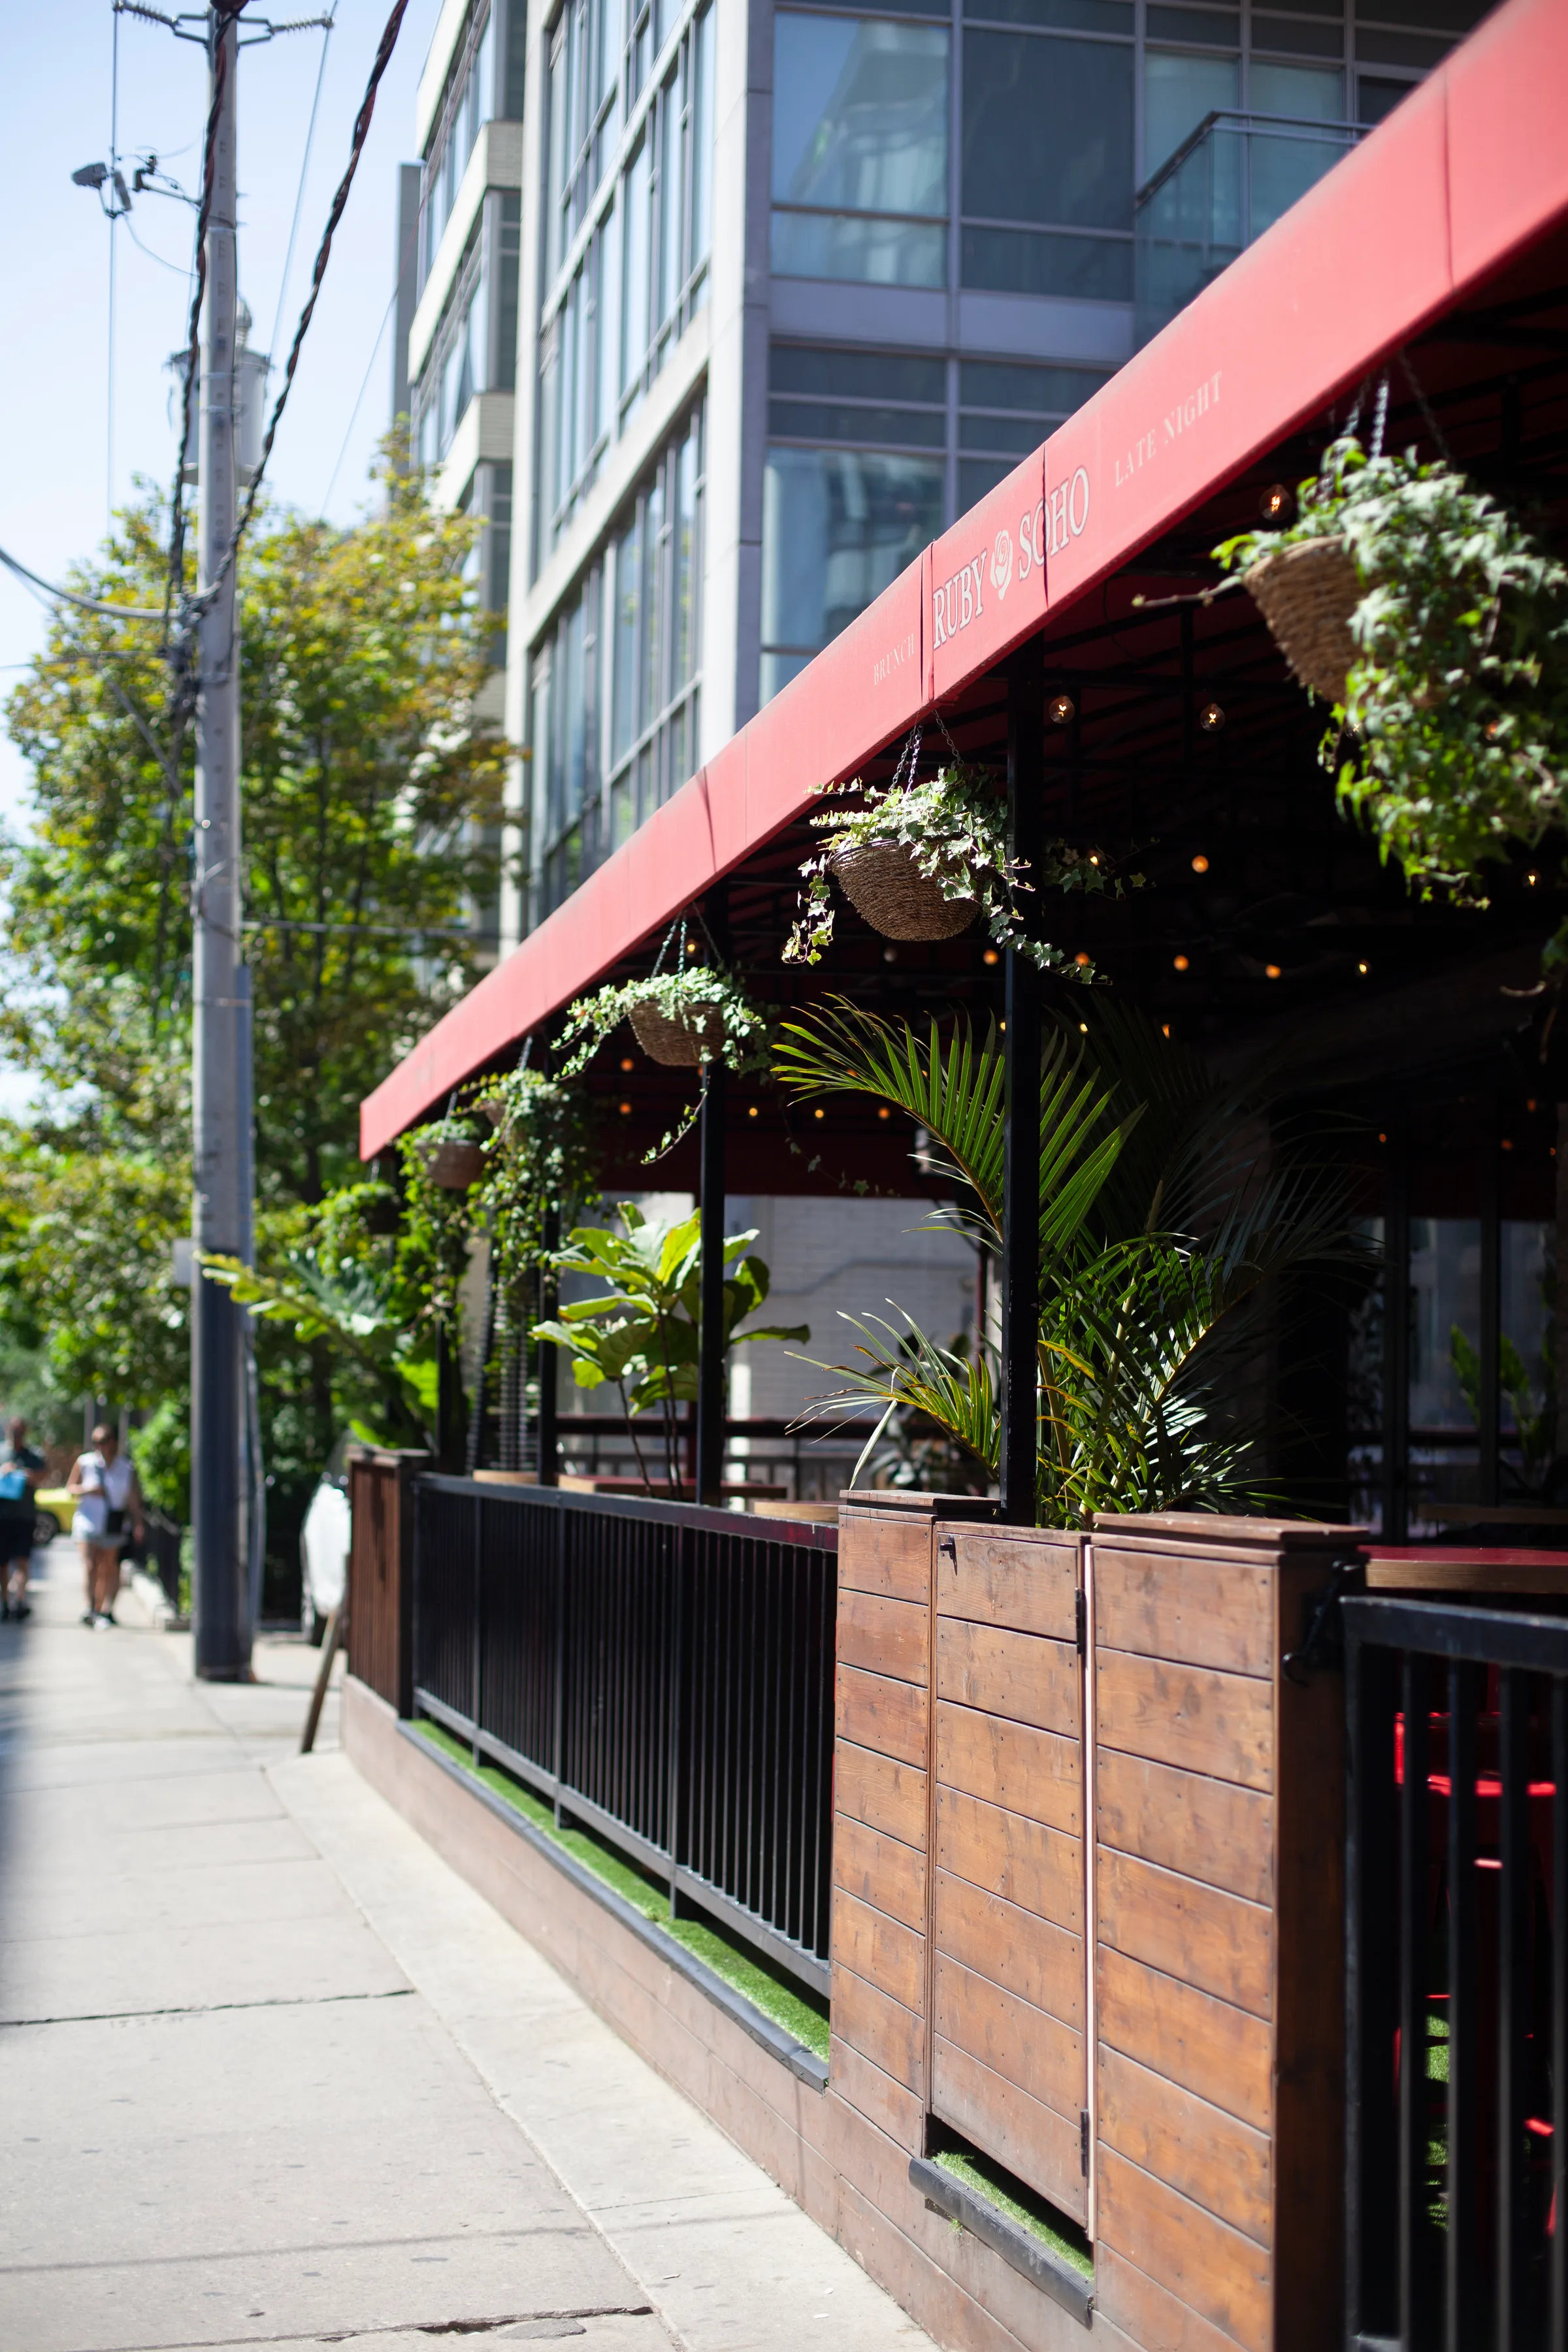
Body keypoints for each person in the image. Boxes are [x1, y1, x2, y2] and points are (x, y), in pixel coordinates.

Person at [67, 1424, 144, 1629]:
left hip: (113, 1523)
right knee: (91, 1565)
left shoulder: (126, 1467)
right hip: (87, 1521)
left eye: (102, 1441)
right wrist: (87, 1489)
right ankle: (91, 1607)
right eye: (95, 1442)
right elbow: (70, 1488)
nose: (98, 1446)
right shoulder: (86, 1462)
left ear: (113, 1443)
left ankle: (106, 1609)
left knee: (109, 1568)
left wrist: (138, 1523)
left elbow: (133, 1498)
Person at [0, 1415, 44, 1622]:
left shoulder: (33, 1455)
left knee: (22, 1560)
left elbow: (42, 1476)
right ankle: (5, 1603)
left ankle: (20, 1602)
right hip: (3, 1517)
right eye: (14, 1431)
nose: (16, 1436)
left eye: (20, 1432)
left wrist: (22, 1473)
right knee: (3, 1563)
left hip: (25, 1517)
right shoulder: (2, 1452)